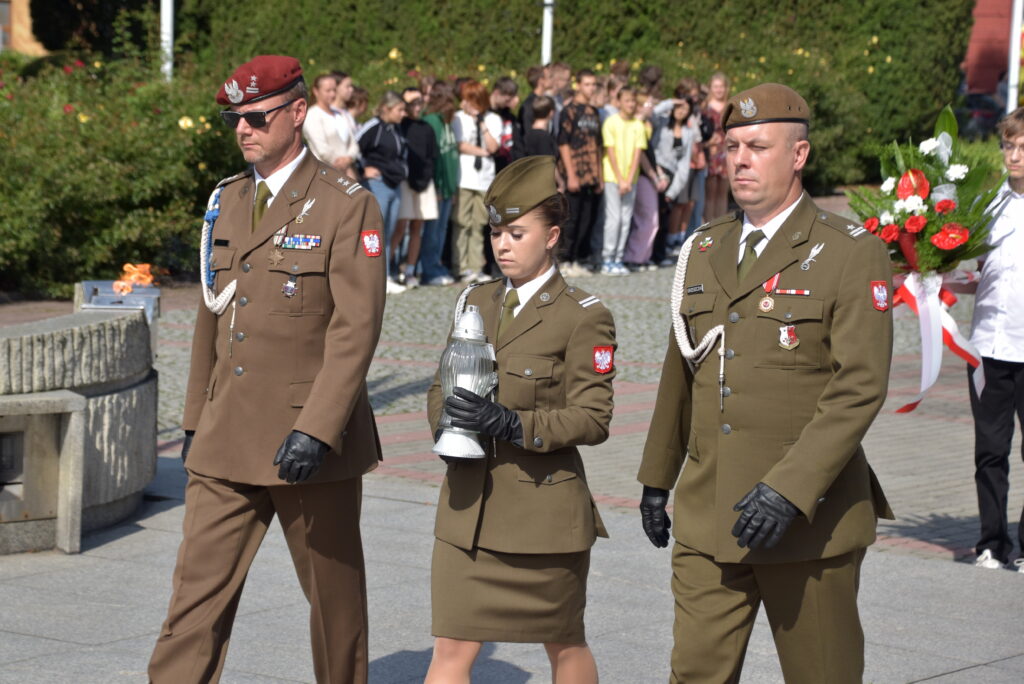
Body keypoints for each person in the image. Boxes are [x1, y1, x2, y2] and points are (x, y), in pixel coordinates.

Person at [636, 83, 894, 683]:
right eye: (732, 147)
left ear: (798, 156)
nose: (741, 160)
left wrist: (789, 489)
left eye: (758, 146)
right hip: (708, 512)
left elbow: (859, 386)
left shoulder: (849, 253)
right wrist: (656, 479)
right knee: (695, 674)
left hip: (809, 522)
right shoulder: (704, 247)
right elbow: (683, 370)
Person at [148, 55, 386, 684]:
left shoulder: (345, 205)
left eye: (255, 117)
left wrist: (318, 427)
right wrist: (196, 417)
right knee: (193, 599)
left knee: (334, 605)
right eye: (235, 119)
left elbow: (354, 328)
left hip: (307, 442)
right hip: (227, 437)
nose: (243, 129)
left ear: (297, 113)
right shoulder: (226, 200)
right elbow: (211, 316)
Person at [424, 155, 615, 684]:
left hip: (543, 518)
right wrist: (448, 427)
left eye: (516, 233)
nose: (503, 245)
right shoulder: (475, 299)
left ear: (552, 235)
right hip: (468, 514)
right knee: (450, 651)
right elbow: (441, 382)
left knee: (565, 646)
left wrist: (512, 424)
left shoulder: (583, 314)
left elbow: (593, 417)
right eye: (496, 233)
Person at [967, 107, 1024, 573]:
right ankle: (991, 541)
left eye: (1023, 147)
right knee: (990, 449)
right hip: (987, 347)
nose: (1014, 155)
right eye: (1009, 145)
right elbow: (979, 274)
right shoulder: (989, 206)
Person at [357, 90, 408, 292]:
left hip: (395, 185)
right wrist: (362, 171)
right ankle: (369, 277)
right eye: (400, 109)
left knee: (387, 232)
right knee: (374, 231)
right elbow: (355, 147)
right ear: (387, 109)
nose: (404, 113)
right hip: (378, 184)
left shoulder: (396, 128)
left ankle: (384, 276)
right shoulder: (373, 127)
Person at [451, 79, 501, 283]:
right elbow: (460, 145)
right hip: (464, 177)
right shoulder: (457, 118)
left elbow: (494, 146)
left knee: (479, 223)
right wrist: (481, 151)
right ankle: (460, 266)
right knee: (462, 222)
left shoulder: (492, 119)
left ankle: (475, 266)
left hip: (484, 178)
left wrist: (481, 123)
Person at [556, 69, 603, 276]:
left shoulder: (594, 112)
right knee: (571, 220)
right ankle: (564, 260)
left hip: (591, 174)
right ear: (578, 85)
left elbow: (598, 145)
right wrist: (571, 174)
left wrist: (599, 175)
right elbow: (563, 143)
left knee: (586, 219)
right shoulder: (569, 111)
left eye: (593, 84)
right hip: (574, 171)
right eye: (587, 84)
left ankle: (576, 260)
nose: (590, 88)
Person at [393, 86, 440, 288]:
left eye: (420, 102)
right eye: (413, 103)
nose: (417, 106)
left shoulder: (426, 127)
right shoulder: (399, 126)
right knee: (399, 226)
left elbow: (433, 157)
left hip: (424, 181)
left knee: (417, 228)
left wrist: (433, 183)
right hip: (404, 180)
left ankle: (411, 270)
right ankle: (389, 269)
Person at [599, 86, 646, 275]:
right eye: (627, 101)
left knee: (626, 218)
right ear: (619, 102)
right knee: (614, 218)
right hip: (612, 177)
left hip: (630, 179)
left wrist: (628, 179)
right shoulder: (611, 122)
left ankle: (618, 258)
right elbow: (609, 151)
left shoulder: (638, 125)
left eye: (633, 101)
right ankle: (607, 258)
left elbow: (637, 154)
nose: (631, 104)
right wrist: (620, 178)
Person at [419, 81, 460, 286]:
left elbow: (450, 156)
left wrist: (452, 188)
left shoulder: (446, 122)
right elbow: (434, 158)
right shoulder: (431, 121)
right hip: (437, 186)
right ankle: (428, 270)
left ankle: (436, 265)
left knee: (441, 230)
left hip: (448, 186)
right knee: (432, 231)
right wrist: (436, 185)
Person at [702, 71, 731, 220]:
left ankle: (721, 224)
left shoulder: (729, 106)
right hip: (710, 151)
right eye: (716, 86)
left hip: (726, 150)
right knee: (710, 192)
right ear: (710, 88)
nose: (719, 90)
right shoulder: (705, 107)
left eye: (721, 86)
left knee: (722, 192)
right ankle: (710, 225)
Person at [329, 70, 361, 178]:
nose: (351, 90)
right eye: (347, 86)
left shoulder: (346, 113)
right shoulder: (327, 114)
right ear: (336, 88)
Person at [490, 75, 525, 172]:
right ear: (497, 93)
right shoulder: (485, 114)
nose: (508, 103)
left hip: (508, 166)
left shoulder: (508, 116)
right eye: (507, 100)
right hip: (492, 168)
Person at [519, 64, 551, 132]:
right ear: (541, 81)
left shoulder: (544, 100)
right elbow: (527, 131)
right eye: (549, 77)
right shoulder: (530, 105)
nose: (552, 80)